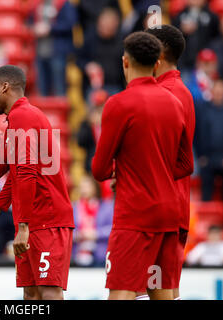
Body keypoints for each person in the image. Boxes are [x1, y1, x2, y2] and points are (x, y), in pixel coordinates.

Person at [91, 31, 193, 300]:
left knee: (122, 292)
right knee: (161, 293)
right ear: (156, 63)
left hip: (135, 213)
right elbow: (186, 164)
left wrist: (127, 171)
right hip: (169, 213)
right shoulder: (174, 101)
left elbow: (99, 170)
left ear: (125, 62)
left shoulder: (118, 103)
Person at [0, 65, 75, 300]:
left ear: (4, 87)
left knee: (48, 292)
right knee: (31, 294)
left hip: (45, 220)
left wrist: (22, 225)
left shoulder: (23, 117)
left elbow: (26, 173)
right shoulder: (17, 118)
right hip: (33, 220)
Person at [143, 24, 196, 300]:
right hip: (171, 205)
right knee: (163, 288)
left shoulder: (168, 94)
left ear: (159, 54)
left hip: (161, 207)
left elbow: (164, 155)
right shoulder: (177, 90)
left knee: (155, 290)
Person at [194, 79, 223, 201]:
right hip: (207, 158)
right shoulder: (203, 110)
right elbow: (197, 134)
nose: (218, 95)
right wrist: (201, 156)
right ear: (211, 92)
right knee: (206, 195)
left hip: (222, 157)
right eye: (216, 92)